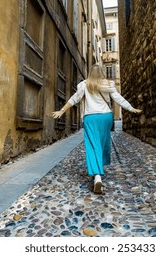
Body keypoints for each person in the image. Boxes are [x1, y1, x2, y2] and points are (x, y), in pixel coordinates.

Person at [52, 65, 142, 194]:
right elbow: (118, 98)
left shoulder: (84, 85)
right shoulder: (108, 84)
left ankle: (97, 176)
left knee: (93, 145)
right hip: (106, 117)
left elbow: (74, 99)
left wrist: (61, 111)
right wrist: (130, 108)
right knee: (103, 143)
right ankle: (99, 169)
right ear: (102, 73)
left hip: (91, 118)